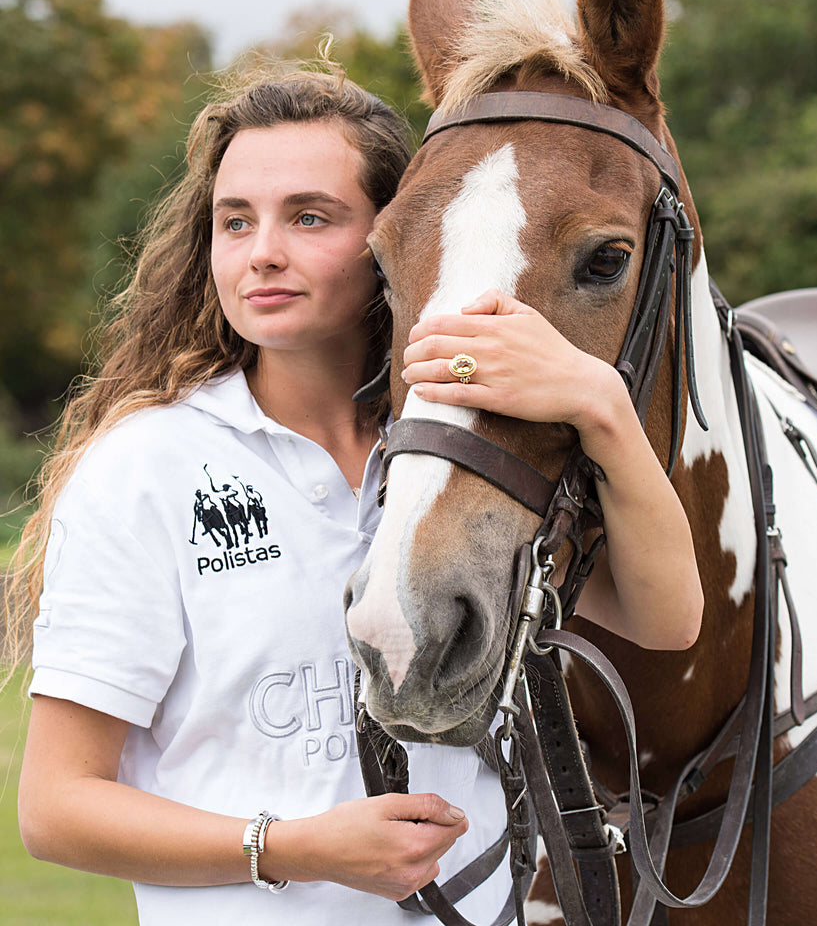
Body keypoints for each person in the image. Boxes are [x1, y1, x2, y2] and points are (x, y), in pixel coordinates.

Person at [5, 56, 703, 926]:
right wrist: (294, 847)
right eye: (234, 222)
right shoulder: (145, 470)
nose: (262, 253)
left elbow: (666, 621)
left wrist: (602, 407)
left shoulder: (463, 455)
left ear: (394, 240)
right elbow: (56, 807)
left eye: (309, 217)